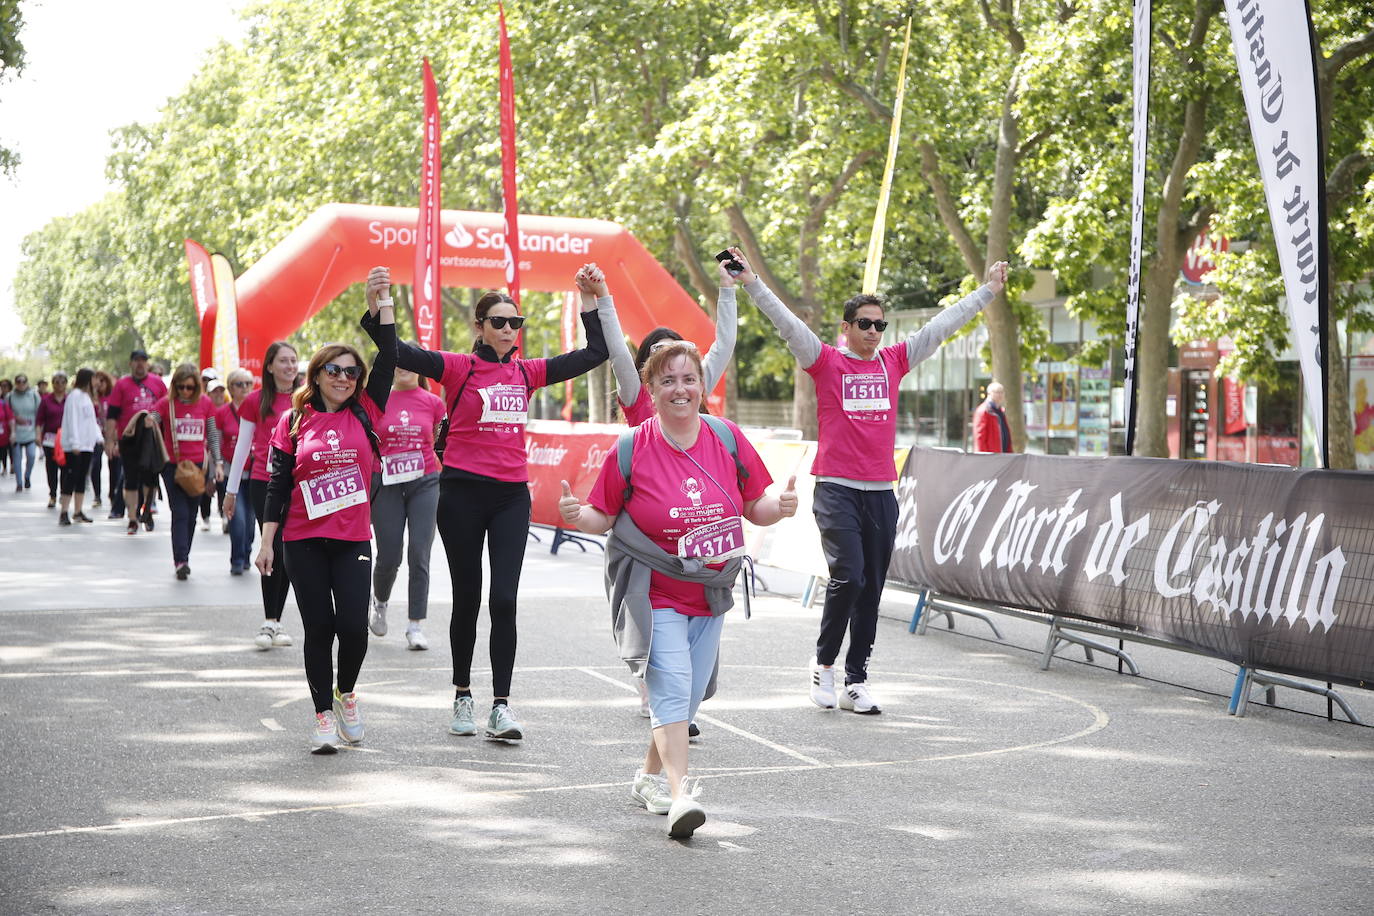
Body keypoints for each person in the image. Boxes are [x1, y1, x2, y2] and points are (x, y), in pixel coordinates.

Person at [735, 246, 1009, 714]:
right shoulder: (825, 362)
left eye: (880, 325)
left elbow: (941, 327)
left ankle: (856, 679)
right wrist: (752, 282)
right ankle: (823, 665)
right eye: (865, 323)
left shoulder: (894, 362)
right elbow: (786, 324)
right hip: (837, 489)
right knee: (849, 576)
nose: (874, 332)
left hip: (882, 492)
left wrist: (987, 291)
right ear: (846, 328)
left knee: (872, 588)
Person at [558, 341, 798, 838]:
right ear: (651, 390)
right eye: (667, 381)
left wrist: (784, 506)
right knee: (669, 686)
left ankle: (648, 779)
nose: (680, 389)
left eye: (688, 379)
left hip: (710, 590)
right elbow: (601, 514)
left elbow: (756, 506)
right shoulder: (631, 447)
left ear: (702, 386)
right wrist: (577, 517)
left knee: (686, 695)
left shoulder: (726, 437)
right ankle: (680, 794)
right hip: (654, 591)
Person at [360, 271, 611, 742]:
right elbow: (393, 350)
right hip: (461, 494)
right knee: (469, 600)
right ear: (479, 326)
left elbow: (594, 354)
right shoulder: (457, 367)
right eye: (498, 321)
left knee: (505, 601)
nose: (508, 329)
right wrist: (382, 306)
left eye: (515, 322)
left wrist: (587, 298)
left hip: (511, 496)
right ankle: (462, 695)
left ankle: (501, 705)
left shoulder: (527, 371)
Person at [578, 259, 738, 729]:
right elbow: (615, 347)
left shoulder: (696, 393)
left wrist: (728, 289)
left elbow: (723, 343)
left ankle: (673, 704)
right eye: (662, 361)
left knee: (695, 632)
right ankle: (659, 695)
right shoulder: (639, 394)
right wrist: (604, 296)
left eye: (682, 362)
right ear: (649, 372)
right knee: (649, 624)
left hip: (696, 534)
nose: (676, 372)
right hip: (642, 537)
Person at [256, 268, 396, 753]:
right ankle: (321, 715)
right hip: (302, 539)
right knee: (318, 627)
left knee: (353, 629)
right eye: (333, 370)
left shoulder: (368, 411)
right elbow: (276, 482)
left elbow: (391, 354)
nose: (343, 378)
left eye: (350, 371)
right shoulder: (294, 420)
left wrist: (381, 302)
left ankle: (346, 693)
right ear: (316, 375)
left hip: (353, 537)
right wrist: (267, 541)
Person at [225, 342, 300, 649]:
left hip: (300, 485)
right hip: (264, 484)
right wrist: (230, 491)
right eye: (283, 361)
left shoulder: (307, 398)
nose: (290, 366)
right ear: (269, 366)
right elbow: (243, 447)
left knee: (289, 552)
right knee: (274, 547)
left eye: (293, 360)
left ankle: (276, 622)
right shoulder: (255, 401)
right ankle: (270, 621)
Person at [368, 358, 445, 650]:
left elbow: (438, 438)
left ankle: (415, 625)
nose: (403, 366)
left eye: (410, 360)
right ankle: (381, 602)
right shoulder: (377, 400)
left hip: (425, 480)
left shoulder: (433, 403)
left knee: (419, 552)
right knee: (389, 553)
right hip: (386, 481)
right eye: (397, 361)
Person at [149, 364, 222, 579]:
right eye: (181, 387)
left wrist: (218, 462)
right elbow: (152, 419)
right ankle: (181, 560)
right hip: (173, 466)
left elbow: (212, 434)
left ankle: (184, 554)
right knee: (179, 512)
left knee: (191, 515)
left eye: (190, 387)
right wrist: (148, 420)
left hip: (198, 467)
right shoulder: (166, 404)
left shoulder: (206, 404)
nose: (185, 391)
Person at [105, 349, 169, 531]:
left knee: (150, 479)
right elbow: (112, 415)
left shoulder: (157, 383)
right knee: (130, 479)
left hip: (151, 438)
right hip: (129, 438)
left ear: (147, 363)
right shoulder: (121, 385)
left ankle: (147, 510)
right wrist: (110, 440)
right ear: (131, 363)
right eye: (136, 360)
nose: (140, 364)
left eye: (143, 360)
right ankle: (132, 518)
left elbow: (167, 410)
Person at [222, 368, 256, 574]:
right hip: (233, 475)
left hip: (255, 475)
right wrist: (217, 464)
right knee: (238, 519)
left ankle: (247, 553)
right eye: (239, 384)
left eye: (248, 384)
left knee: (251, 523)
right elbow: (215, 441)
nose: (244, 388)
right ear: (230, 388)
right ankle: (237, 559)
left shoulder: (257, 408)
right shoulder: (222, 412)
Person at [58, 368, 102, 526]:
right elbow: (73, 420)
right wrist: (75, 442)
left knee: (82, 478)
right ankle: (64, 511)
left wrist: (98, 437)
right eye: (95, 379)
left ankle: (78, 510)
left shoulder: (86, 397)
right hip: (75, 445)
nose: (97, 382)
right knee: (71, 477)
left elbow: (91, 421)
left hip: (87, 445)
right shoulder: (74, 396)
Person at [201, 376, 231, 531]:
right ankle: (205, 517)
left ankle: (224, 515)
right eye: (215, 391)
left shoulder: (228, 409)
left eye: (221, 391)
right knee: (206, 486)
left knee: (222, 486)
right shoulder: (204, 409)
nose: (219, 394)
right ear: (208, 394)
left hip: (223, 456)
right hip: (206, 455)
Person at [35, 372, 68, 508]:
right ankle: (52, 494)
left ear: (66, 384)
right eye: (56, 382)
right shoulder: (46, 400)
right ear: (53, 384)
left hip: (66, 438)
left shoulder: (69, 399)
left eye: (62, 382)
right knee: (51, 467)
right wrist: (38, 435)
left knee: (65, 468)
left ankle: (63, 494)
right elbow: (39, 420)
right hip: (50, 438)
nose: (59, 385)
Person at [88, 371, 115, 509]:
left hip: (111, 435)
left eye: (102, 381)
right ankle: (97, 495)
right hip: (96, 436)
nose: (100, 385)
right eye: (97, 382)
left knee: (114, 465)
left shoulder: (113, 397)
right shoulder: (91, 398)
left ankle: (113, 494)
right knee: (95, 465)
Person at [8, 374, 40, 491]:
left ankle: (27, 476)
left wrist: (38, 432)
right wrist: (15, 418)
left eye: (23, 381)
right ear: (15, 383)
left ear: (27, 382)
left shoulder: (34, 395)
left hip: (30, 432)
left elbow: (40, 413)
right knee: (17, 458)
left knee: (31, 456)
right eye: (18, 381)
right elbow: (6, 413)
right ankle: (19, 483)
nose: (21, 384)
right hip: (16, 433)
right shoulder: (10, 396)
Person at [972, 381, 1013, 453]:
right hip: (990, 457)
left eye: (1002, 392)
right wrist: (983, 457)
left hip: (1003, 455)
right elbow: (979, 437)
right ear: (989, 393)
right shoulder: (983, 411)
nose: (1000, 395)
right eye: (997, 392)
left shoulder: (1001, 411)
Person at [0, 386, 12, 477]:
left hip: (4, 434)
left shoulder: (4, 404)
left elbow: (10, 418)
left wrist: (13, 432)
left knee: (4, 451)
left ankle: (5, 467)